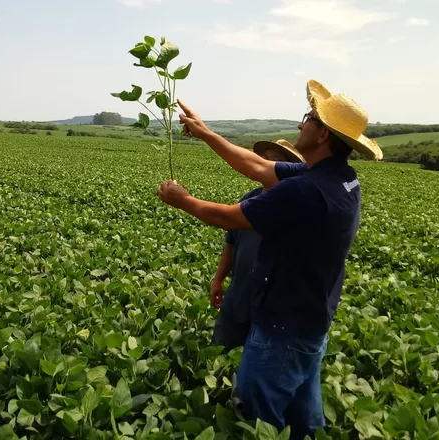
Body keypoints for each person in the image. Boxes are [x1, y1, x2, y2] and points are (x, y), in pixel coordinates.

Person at [156, 79, 383, 439]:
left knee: (258, 413)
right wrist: (206, 133)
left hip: (283, 326)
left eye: (308, 118)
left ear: (323, 134)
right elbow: (259, 167)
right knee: (303, 419)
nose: (300, 124)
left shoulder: (308, 191)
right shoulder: (337, 177)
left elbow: (230, 218)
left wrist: (182, 200)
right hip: (309, 320)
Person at [211, 139, 304, 353]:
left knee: (255, 358)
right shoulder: (249, 199)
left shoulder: (293, 203)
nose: (266, 164)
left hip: (270, 301)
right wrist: (218, 279)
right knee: (220, 350)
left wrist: (184, 201)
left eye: (276, 161)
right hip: (238, 291)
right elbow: (231, 242)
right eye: (265, 158)